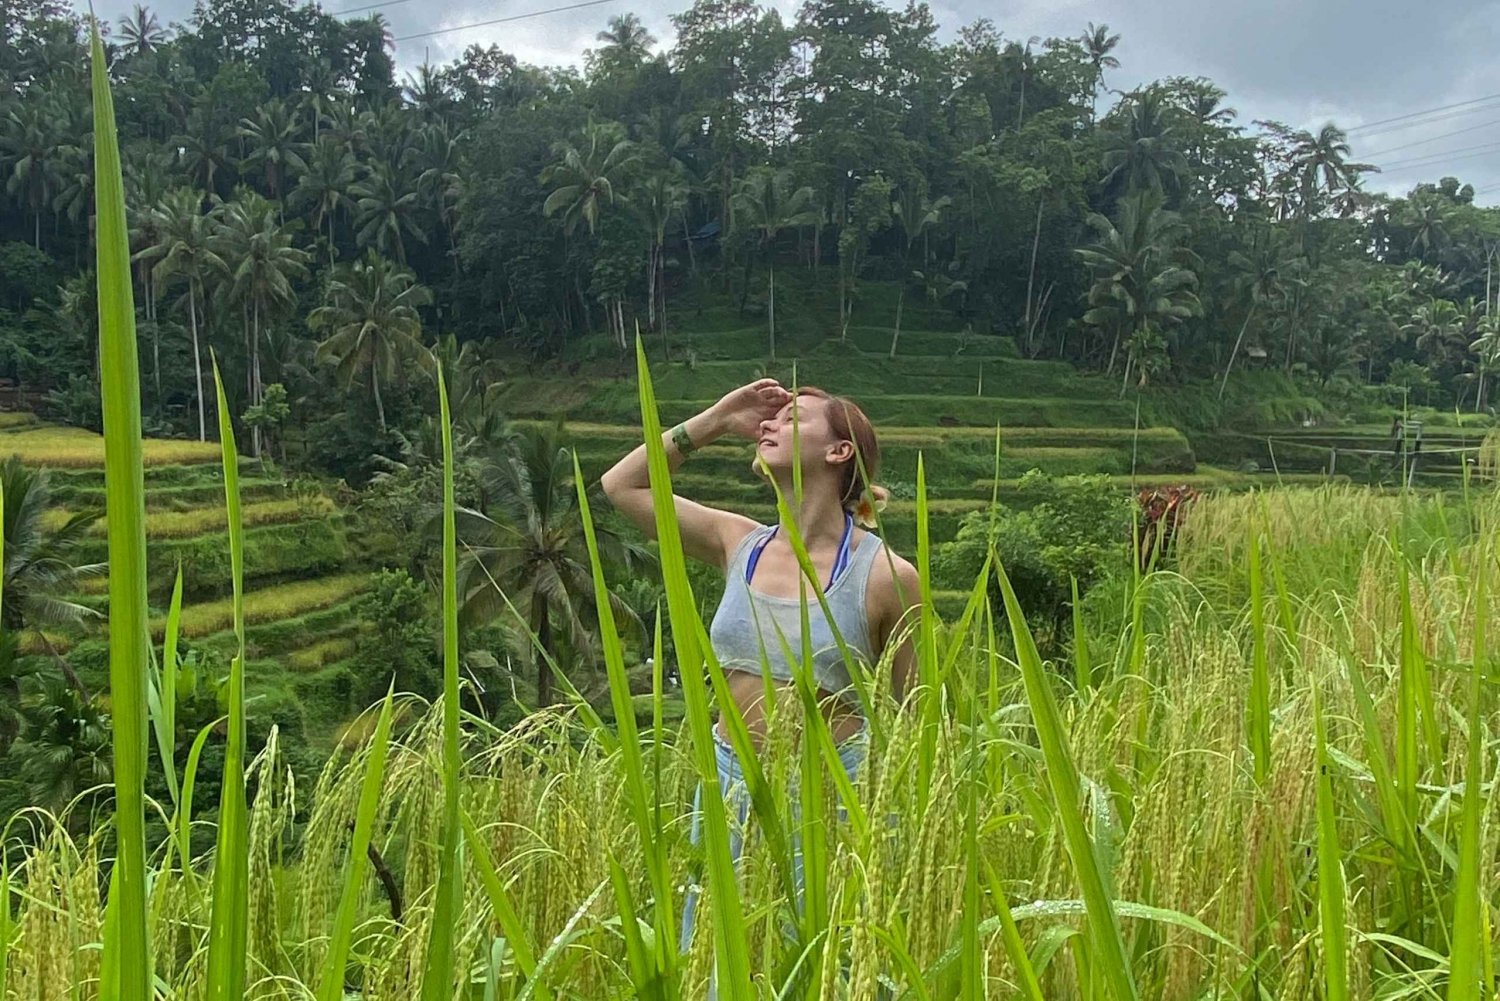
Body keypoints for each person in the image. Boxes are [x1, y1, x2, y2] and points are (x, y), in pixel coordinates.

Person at [600, 378, 921, 985]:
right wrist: (718, 419)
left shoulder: (885, 575)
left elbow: (912, 718)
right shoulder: (736, 541)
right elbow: (622, 486)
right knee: (722, 961)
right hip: (729, 782)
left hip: (832, 790)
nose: (772, 423)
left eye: (795, 418)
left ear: (839, 452)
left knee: (830, 964)